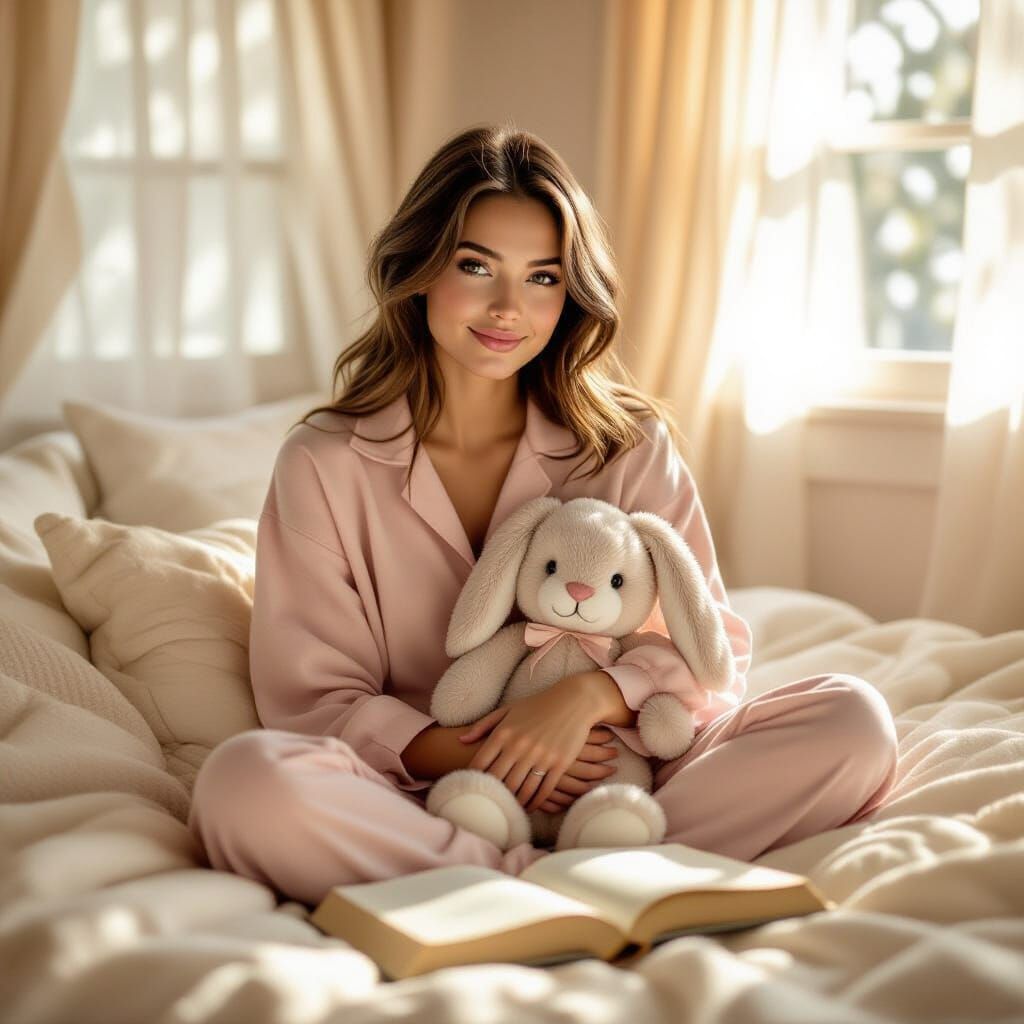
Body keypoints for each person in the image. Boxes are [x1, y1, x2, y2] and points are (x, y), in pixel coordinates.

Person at [187, 123, 899, 908]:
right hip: (429, 790)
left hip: (628, 781)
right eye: (475, 266)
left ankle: (533, 873)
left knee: (853, 721)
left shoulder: (630, 445)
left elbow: (711, 654)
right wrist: (487, 751)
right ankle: (573, 881)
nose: (507, 307)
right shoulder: (324, 462)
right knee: (243, 784)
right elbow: (314, 704)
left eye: (542, 278)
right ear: (419, 270)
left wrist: (585, 701)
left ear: (571, 295)